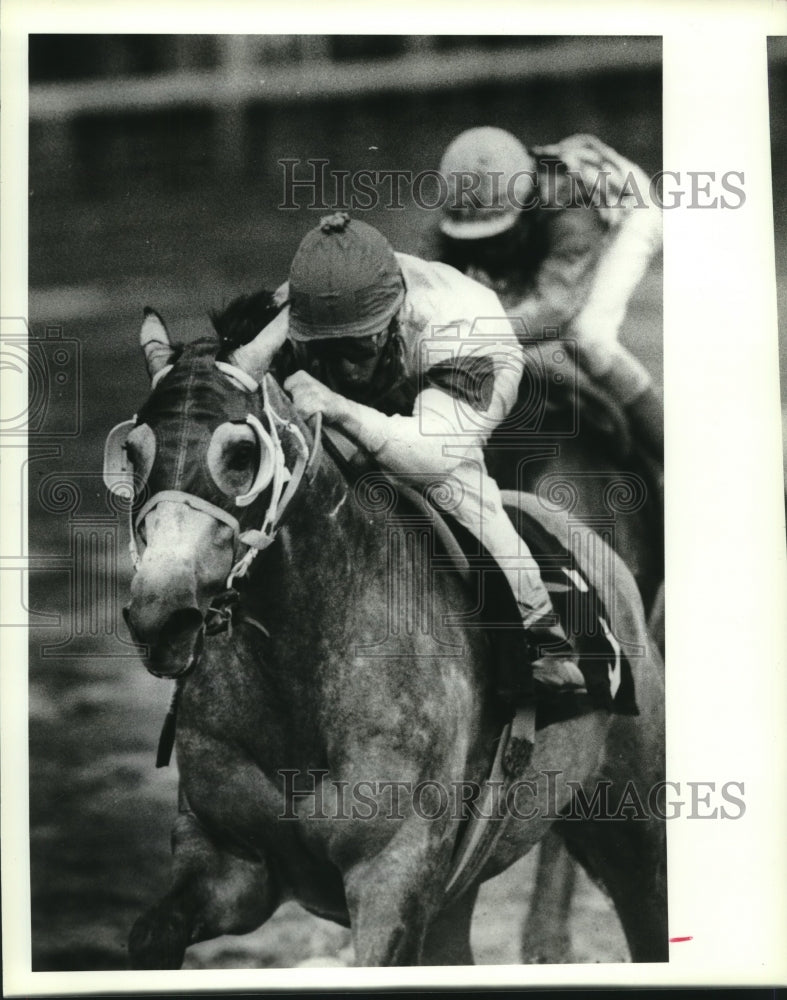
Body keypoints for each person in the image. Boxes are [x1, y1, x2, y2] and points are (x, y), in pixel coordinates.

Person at [244, 211, 586, 704]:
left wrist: (339, 406)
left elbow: (431, 456)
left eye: (357, 347)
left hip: (455, 373)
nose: (345, 367)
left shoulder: (468, 327)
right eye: (327, 348)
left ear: (396, 314)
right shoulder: (294, 308)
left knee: (451, 486)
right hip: (376, 341)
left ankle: (544, 640)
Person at [435, 126, 664, 466]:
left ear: (526, 203)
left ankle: (671, 448)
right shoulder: (465, 206)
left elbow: (554, 310)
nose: (484, 247)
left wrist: (463, 337)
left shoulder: (572, 211)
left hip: (629, 209)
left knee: (587, 337)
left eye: (496, 232)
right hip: (543, 221)